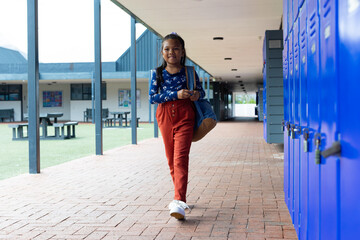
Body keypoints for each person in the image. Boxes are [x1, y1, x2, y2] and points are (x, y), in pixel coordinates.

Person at [149, 33, 205, 220]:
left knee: (180, 158)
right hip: (164, 116)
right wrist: (176, 94)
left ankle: (178, 201)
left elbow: (201, 92)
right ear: (162, 52)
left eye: (175, 48)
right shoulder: (156, 73)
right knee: (171, 160)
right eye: (167, 49)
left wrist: (195, 95)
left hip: (185, 116)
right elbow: (152, 97)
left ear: (182, 52)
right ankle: (179, 197)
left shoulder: (190, 72)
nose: (171, 52)